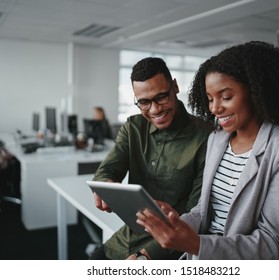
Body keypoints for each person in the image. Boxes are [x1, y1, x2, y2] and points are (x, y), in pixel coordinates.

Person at [136, 41, 279, 260]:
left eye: (226, 97)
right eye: (210, 99)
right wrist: (175, 222)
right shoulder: (217, 140)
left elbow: (271, 243)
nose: (214, 108)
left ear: (256, 92)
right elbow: (203, 211)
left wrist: (198, 244)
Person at [90, 57, 212, 260]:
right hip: (129, 237)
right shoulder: (133, 128)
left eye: (162, 97)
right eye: (144, 102)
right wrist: (104, 185)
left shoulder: (206, 137)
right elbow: (106, 171)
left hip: (172, 246)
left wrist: (146, 255)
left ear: (175, 86)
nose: (155, 110)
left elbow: (195, 214)